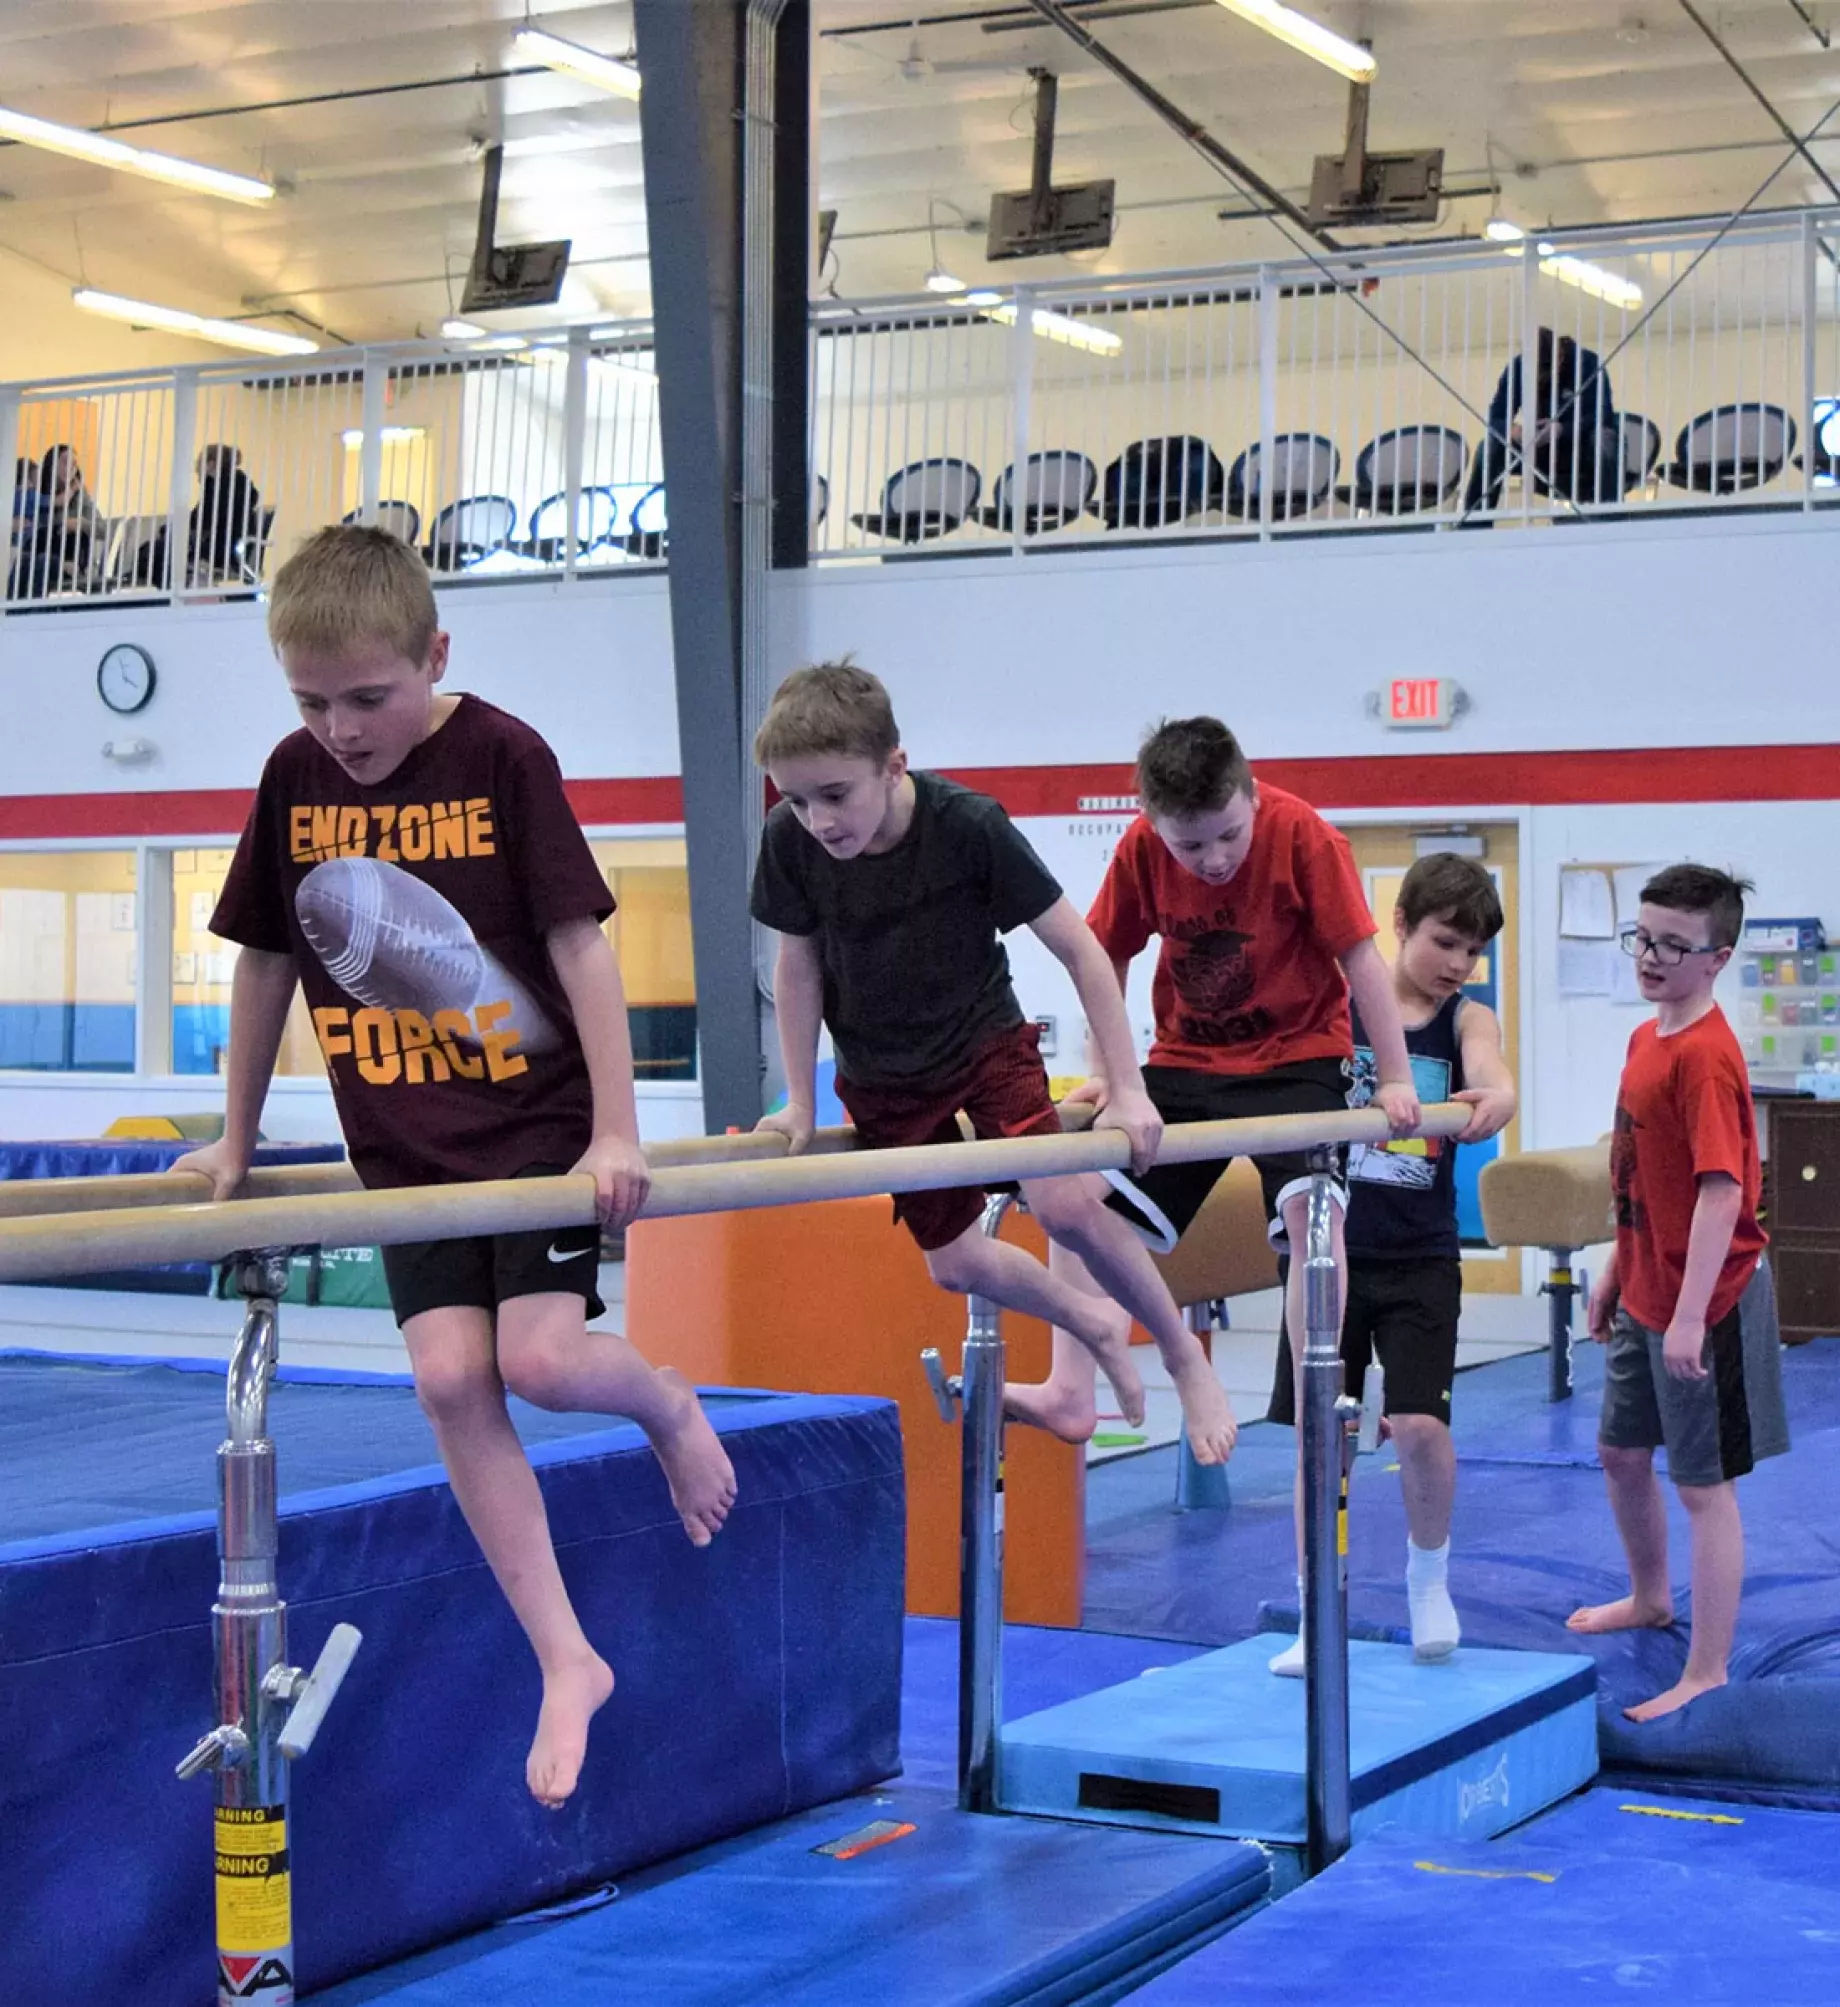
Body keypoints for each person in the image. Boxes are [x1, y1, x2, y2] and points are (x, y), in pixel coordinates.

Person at [173, 524, 736, 1807]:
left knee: (537, 1360)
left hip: (536, 1127)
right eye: (311, 701)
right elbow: (263, 961)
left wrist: (617, 1128)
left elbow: (579, 944)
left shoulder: (501, 756)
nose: (343, 729)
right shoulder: (292, 777)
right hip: (409, 1153)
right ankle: (563, 1655)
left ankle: (662, 1403)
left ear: (436, 654)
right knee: (447, 1378)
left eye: (368, 698)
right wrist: (241, 1139)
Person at [1009, 716, 1421, 1675]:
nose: (1212, 857)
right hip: (1185, 1065)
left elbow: (1363, 960)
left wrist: (1393, 1079)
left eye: (1226, 835)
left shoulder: (1302, 834)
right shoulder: (1144, 849)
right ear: (1155, 822)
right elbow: (1099, 957)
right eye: (1190, 844)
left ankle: (1317, 1394)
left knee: (1312, 1220)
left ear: (1249, 795)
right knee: (1075, 1206)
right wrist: (1114, 1076)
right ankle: (1073, 1381)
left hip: (1300, 1064)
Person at [749, 661, 1237, 1465]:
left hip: (985, 1046)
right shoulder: (790, 846)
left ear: (894, 764)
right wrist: (801, 1100)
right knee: (954, 1265)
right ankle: (1089, 1321)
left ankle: (1183, 1357)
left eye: (835, 795)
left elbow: (1082, 950)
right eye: (795, 800)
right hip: (881, 1076)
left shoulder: (967, 825)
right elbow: (796, 968)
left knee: (1066, 1203)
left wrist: (1128, 1086)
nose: (818, 821)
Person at [1265, 852, 1516, 1661]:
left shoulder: (1466, 1017)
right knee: (1321, 1437)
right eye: (1445, 941)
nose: (1458, 964)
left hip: (1417, 1257)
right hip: (1325, 1253)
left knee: (1416, 1425)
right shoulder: (1339, 1005)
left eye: (1472, 951)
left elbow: (1492, 1074)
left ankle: (1426, 1579)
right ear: (1399, 923)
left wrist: (1497, 1097)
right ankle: (1315, 1609)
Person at [1567, 864, 1787, 1723]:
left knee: (1703, 1485)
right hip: (1649, 1286)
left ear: (1717, 957)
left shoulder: (1705, 1058)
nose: (1649, 957)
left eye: (1672, 945)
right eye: (1643, 936)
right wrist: (1621, 1267)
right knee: (1621, 1453)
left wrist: (1692, 1314)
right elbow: (1638, 1173)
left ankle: (1708, 1667)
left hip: (1711, 1295)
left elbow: (1721, 1191)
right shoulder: (1646, 1038)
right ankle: (1651, 1595)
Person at [1462, 327, 1622, 520]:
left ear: (1561, 355)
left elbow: (1603, 413)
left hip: (1580, 449)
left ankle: (1610, 518)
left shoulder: (1588, 363)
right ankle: (1473, 523)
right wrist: (1513, 431)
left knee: (1604, 439)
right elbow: (1496, 416)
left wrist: (1563, 429)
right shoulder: (1518, 368)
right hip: (1539, 449)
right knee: (1489, 446)